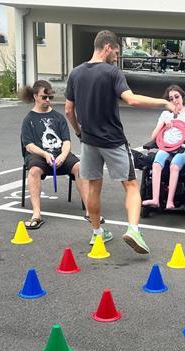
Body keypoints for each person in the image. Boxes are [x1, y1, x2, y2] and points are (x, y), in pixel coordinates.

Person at [65, 30, 176, 254]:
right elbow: (131, 100)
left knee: (94, 187)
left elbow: (68, 110)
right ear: (107, 47)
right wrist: (164, 103)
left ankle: (97, 233)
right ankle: (133, 230)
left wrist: (79, 133)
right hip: (113, 140)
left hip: (89, 141)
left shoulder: (75, 73)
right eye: (115, 52)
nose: (116, 57)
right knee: (131, 186)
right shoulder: (112, 72)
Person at [20, 80, 91, 229]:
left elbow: (66, 141)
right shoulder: (28, 119)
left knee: (79, 167)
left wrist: (63, 156)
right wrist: (45, 154)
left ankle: (90, 211)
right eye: (44, 97)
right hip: (38, 155)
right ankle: (36, 214)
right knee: (34, 171)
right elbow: (29, 145)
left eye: (50, 97)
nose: (48, 100)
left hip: (60, 153)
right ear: (35, 96)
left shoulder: (58, 117)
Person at [142, 85, 185, 210]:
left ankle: (170, 201)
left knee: (174, 166)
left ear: (182, 97)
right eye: (170, 99)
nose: (174, 101)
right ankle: (155, 199)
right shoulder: (165, 114)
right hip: (166, 147)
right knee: (156, 164)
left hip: (182, 149)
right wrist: (164, 122)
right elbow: (153, 136)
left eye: (176, 97)